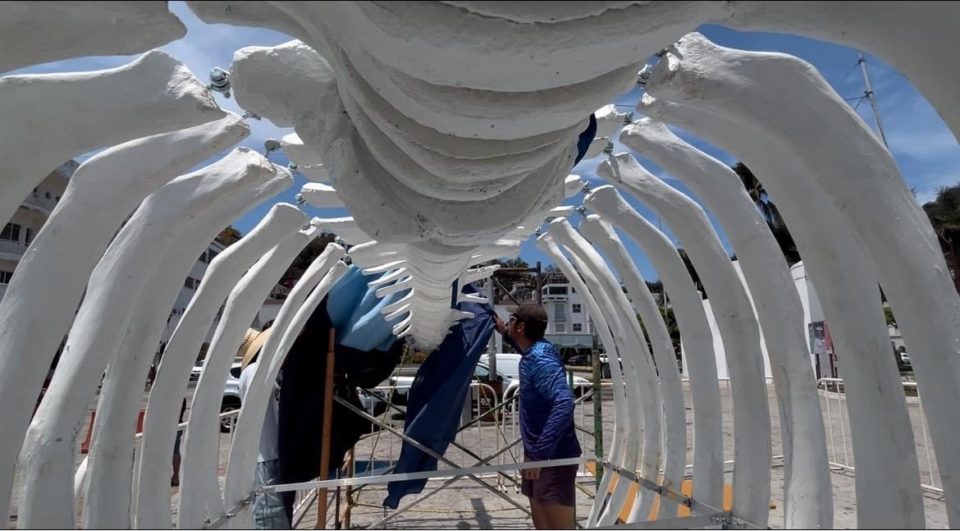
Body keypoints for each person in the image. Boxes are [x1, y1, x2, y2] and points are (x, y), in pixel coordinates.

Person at [494, 302, 581, 529]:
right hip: (540, 457)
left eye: (512, 319)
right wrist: (503, 330)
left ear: (521, 327)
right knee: (542, 524)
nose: (510, 321)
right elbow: (521, 345)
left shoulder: (540, 360)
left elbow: (564, 403)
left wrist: (539, 454)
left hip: (552, 459)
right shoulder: (536, 350)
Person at [237, 327, 293, 529]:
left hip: (269, 453)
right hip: (267, 455)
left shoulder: (258, 372)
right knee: (270, 516)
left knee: (275, 514)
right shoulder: (255, 372)